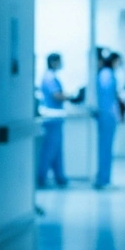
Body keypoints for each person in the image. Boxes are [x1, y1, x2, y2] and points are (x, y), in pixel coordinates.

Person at [37, 53, 71, 188]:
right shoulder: (49, 78)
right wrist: (71, 96)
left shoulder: (51, 77)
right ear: (53, 62)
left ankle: (60, 177)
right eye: (59, 61)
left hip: (56, 118)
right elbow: (56, 95)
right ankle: (41, 177)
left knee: (57, 151)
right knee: (49, 150)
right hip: (51, 118)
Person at [94, 50, 123, 189]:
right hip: (107, 116)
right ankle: (103, 179)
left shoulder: (107, 74)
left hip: (108, 116)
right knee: (105, 149)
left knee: (106, 149)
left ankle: (104, 178)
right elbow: (107, 99)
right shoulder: (106, 74)